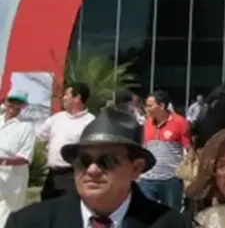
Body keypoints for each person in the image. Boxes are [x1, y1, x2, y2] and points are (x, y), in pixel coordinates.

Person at [6, 108, 189, 227]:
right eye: (83, 161)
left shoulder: (170, 225)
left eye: (106, 161)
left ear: (136, 168)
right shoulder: (28, 223)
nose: (92, 170)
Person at [35, 82, 96, 201]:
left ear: (77, 98)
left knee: (67, 208)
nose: (63, 98)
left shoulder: (90, 122)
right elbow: (39, 136)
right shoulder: (57, 118)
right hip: (52, 175)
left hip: (72, 175)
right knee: (47, 207)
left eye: (66, 95)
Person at [139, 90, 191, 210]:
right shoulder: (146, 124)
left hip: (171, 180)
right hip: (147, 179)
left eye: (150, 105)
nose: (146, 109)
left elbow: (188, 150)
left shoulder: (180, 123)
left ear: (161, 106)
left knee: (171, 216)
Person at [0, 92, 36, 224]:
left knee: (8, 215)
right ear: (5, 101)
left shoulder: (26, 126)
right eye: (12, 101)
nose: (14, 105)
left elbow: (26, 157)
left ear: (23, 106)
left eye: (18, 103)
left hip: (13, 180)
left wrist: (3, 161)